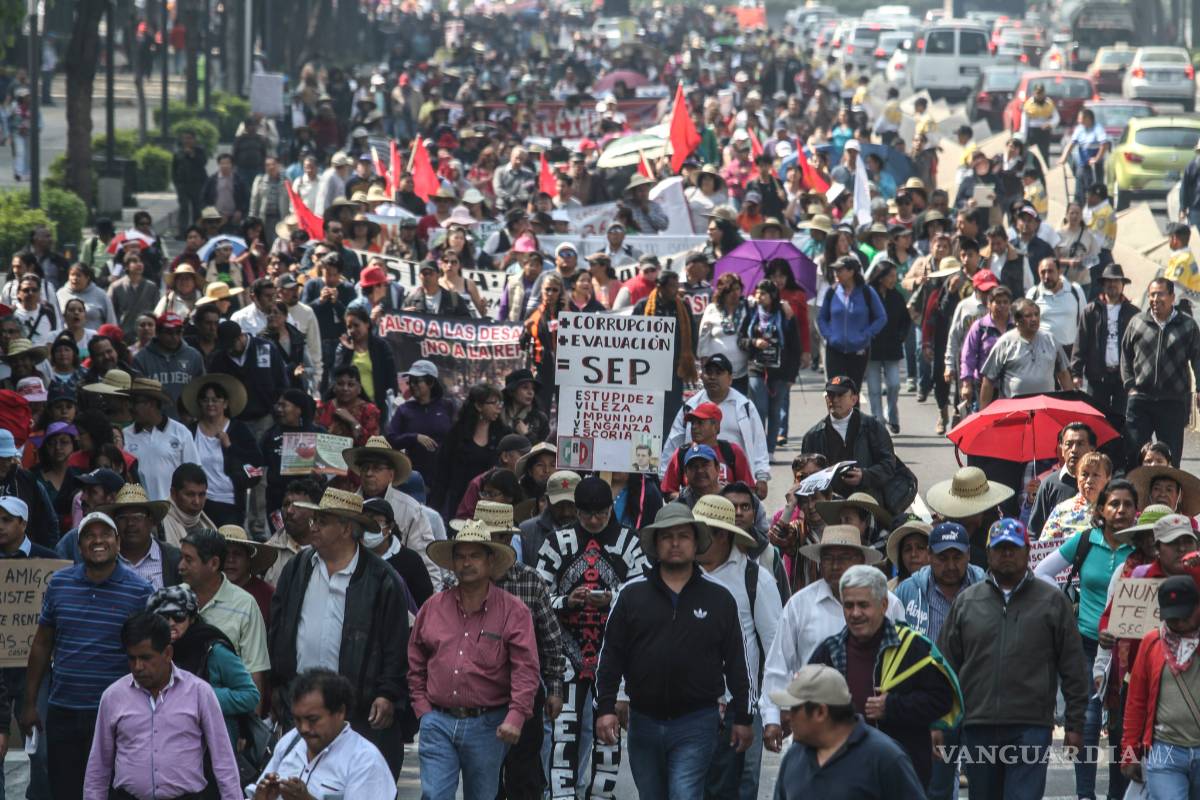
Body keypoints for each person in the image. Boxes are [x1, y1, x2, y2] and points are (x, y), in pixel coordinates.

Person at [594, 503, 753, 797]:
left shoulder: (719, 597)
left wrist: (743, 716)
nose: (676, 543)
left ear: (696, 542)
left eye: (684, 535)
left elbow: (736, 662)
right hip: (643, 720)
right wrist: (605, 708)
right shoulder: (631, 595)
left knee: (684, 793)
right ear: (656, 544)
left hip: (698, 720)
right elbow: (611, 656)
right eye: (667, 536)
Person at [938, 517, 1089, 800]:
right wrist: (941, 723)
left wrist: (1075, 724)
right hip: (978, 726)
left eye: (1014, 547)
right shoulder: (967, 601)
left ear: (1027, 551)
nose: (1007, 554)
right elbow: (945, 667)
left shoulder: (1052, 601)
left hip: (1031, 726)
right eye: (1000, 548)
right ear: (988, 552)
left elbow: (1073, 667)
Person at [269, 487, 409, 776]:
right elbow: (279, 628)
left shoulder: (382, 579)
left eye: (323, 521)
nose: (313, 526)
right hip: (301, 701)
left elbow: (396, 644)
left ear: (346, 528)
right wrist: (279, 686)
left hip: (357, 709)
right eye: (314, 519)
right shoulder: (297, 568)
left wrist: (387, 693)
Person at [19, 511, 154, 800]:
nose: (98, 541)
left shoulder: (140, 591)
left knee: (112, 791)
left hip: (115, 713)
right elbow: (42, 643)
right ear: (79, 546)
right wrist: (29, 702)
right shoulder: (59, 583)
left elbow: (146, 653)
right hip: (63, 709)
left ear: (117, 543)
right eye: (89, 536)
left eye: (105, 534)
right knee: (65, 789)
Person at [534, 476, 648, 797]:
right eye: (587, 514)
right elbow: (539, 597)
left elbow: (642, 595)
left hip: (614, 658)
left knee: (608, 737)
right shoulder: (557, 543)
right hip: (565, 658)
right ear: (576, 511)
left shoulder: (630, 543)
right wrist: (566, 602)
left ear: (612, 508)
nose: (595, 520)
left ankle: (601, 795)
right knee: (563, 734)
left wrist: (612, 599)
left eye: (601, 513)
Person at [409, 519, 539, 800]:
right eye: (460, 556)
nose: (466, 563)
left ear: (490, 561)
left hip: (488, 725)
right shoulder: (433, 607)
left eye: (475, 556)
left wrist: (516, 715)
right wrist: (423, 710)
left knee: (481, 796)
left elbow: (525, 669)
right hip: (438, 720)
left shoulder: (513, 611)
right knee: (434, 795)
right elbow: (415, 659)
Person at [760, 525, 906, 753]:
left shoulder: (888, 603)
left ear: (860, 561)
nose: (835, 565)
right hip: (815, 722)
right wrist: (772, 717)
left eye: (844, 557)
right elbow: (778, 664)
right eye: (828, 558)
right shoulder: (800, 605)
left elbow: (902, 656)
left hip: (876, 723)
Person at [83, 611, 242, 800]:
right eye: (132, 658)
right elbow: (99, 766)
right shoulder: (113, 696)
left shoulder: (199, 693)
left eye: (146, 658)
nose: (138, 667)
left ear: (167, 653)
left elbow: (223, 761)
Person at [692, 494, 783, 800]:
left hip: (741, 704)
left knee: (740, 785)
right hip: (685, 705)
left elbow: (775, 649)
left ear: (723, 535)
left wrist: (772, 714)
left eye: (703, 533)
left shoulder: (754, 579)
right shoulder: (677, 574)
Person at [770, 664, 927, 800]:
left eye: (795, 709)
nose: (788, 716)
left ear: (820, 712)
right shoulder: (794, 756)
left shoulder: (885, 758)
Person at [250, 669, 397, 799]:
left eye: (312, 719)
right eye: (297, 720)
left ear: (340, 712)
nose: (304, 728)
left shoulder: (365, 761)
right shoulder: (290, 741)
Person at [1120, 574, 1200, 796]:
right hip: (1165, 751)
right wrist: (1130, 752)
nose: (1178, 623)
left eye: (1184, 616)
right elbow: (1136, 702)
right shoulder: (1152, 642)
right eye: (1172, 618)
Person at [177, 527, 271, 705]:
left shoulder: (245, 604)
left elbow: (254, 674)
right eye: (181, 557)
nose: (180, 566)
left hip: (226, 718)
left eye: (188, 560)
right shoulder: (173, 598)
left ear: (213, 563)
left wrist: (250, 730)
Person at [662, 354, 771, 499]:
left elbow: (759, 443)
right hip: (695, 480)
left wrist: (761, 477)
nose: (712, 377)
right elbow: (673, 442)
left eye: (718, 373)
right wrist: (663, 475)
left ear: (730, 378)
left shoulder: (744, 406)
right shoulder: (690, 407)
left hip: (734, 482)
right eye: (709, 373)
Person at [1122, 277, 1200, 468]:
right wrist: (1130, 385)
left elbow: (1198, 359)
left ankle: (1171, 497)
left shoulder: (1187, 326)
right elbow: (1126, 355)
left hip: (1173, 401)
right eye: (1152, 295)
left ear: (1172, 297)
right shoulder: (1137, 322)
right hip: (1140, 400)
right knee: (1134, 456)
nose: (1155, 299)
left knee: (1171, 458)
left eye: (1160, 294)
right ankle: (1136, 496)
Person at [343, 436, 439, 588]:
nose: (369, 473)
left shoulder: (411, 509)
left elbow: (427, 565)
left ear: (391, 475)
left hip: (397, 591)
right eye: (365, 468)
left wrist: (430, 607)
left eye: (376, 468)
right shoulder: (347, 506)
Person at [799, 376, 905, 511]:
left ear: (854, 399)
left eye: (840, 395)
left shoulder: (872, 427)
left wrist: (864, 475)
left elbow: (889, 465)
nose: (835, 400)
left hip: (868, 504)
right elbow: (803, 478)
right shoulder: (813, 436)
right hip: (828, 508)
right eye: (830, 395)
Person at [181, 373, 263, 527]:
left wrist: (230, 446)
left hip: (230, 503)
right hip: (198, 504)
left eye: (215, 399)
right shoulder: (190, 431)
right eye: (205, 400)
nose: (210, 404)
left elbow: (256, 460)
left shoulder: (238, 429)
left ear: (225, 404)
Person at [738, 279, 802, 458]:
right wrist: (753, 342)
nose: (759, 296)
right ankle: (757, 450)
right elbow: (741, 339)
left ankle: (770, 449)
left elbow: (795, 347)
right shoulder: (751, 313)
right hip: (756, 369)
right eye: (758, 292)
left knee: (775, 410)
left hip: (780, 371)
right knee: (760, 409)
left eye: (763, 293)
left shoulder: (786, 315)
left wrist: (792, 376)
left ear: (773, 296)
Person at [632, 270, 698, 438]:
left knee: (672, 413)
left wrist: (688, 360)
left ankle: (667, 452)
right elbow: (631, 336)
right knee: (648, 412)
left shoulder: (683, 306)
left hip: (674, 370)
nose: (676, 290)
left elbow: (692, 336)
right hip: (647, 370)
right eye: (671, 286)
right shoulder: (643, 306)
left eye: (677, 286)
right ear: (660, 287)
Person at [978, 298, 1072, 408]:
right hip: (1014, 411)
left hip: (1045, 409)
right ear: (1016, 320)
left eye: (1036, 314)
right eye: (1028, 316)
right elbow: (988, 380)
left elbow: (1064, 374)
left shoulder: (1051, 340)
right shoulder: (1005, 343)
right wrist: (983, 412)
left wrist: (1070, 406)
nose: (1034, 319)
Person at [1071, 264, 1137, 418]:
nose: (1112, 284)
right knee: (1097, 419)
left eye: (1116, 281)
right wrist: (1076, 372)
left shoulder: (1133, 313)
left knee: (1122, 419)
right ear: (1102, 284)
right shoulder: (1091, 310)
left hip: (1123, 378)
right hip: (1097, 376)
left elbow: (1138, 347)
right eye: (1108, 281)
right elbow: (1081, 341)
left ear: (1123, 285)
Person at [121, 377, 198, 502]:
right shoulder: (125, 435)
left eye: (135, 402)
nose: (131, 407)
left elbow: (193, 474)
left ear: (151, 403)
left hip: (173, 511)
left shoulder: (181, 432)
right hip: (139, 512)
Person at [818, 255, 886, 388]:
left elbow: (881, 317)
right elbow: (822, 318)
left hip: (859, 351)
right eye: (835, 270)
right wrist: (829, 336)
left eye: (840, 270)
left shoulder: (867, 292)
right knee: (835, 390)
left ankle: (853, 410)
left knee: (852, 392)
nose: (836, 273)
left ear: (851, 272)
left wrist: (866, 334)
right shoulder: (831, 292)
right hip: (834, 349)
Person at [863, 259, 911, 434]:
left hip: (892, 349)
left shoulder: (896, 296)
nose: (894, 279)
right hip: (872, 349)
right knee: (874, 389)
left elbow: (906, 321)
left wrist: (901, 337)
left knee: (894, 384)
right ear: (880, 277)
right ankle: (877, 421)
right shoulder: (868, 295)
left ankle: (892, 414)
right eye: (890, 276)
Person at [130, 313, 205, 415]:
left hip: (186, 421)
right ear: (158, 333)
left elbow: (201, 388)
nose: (174, 337)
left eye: (178, 332)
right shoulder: (141, 358)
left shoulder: (193, 356)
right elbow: (137, 394)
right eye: (169, 333)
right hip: (153, 420)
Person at [1026, 257, 1086, 358]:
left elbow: (1085, 322)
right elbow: (1026, 326)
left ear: (1059, 271)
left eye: (1050, 271)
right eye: (1043, 272)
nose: (1047, 276)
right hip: (1042, 352)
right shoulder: (1033, 294)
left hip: (1070, 352)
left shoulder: (1075, 290)